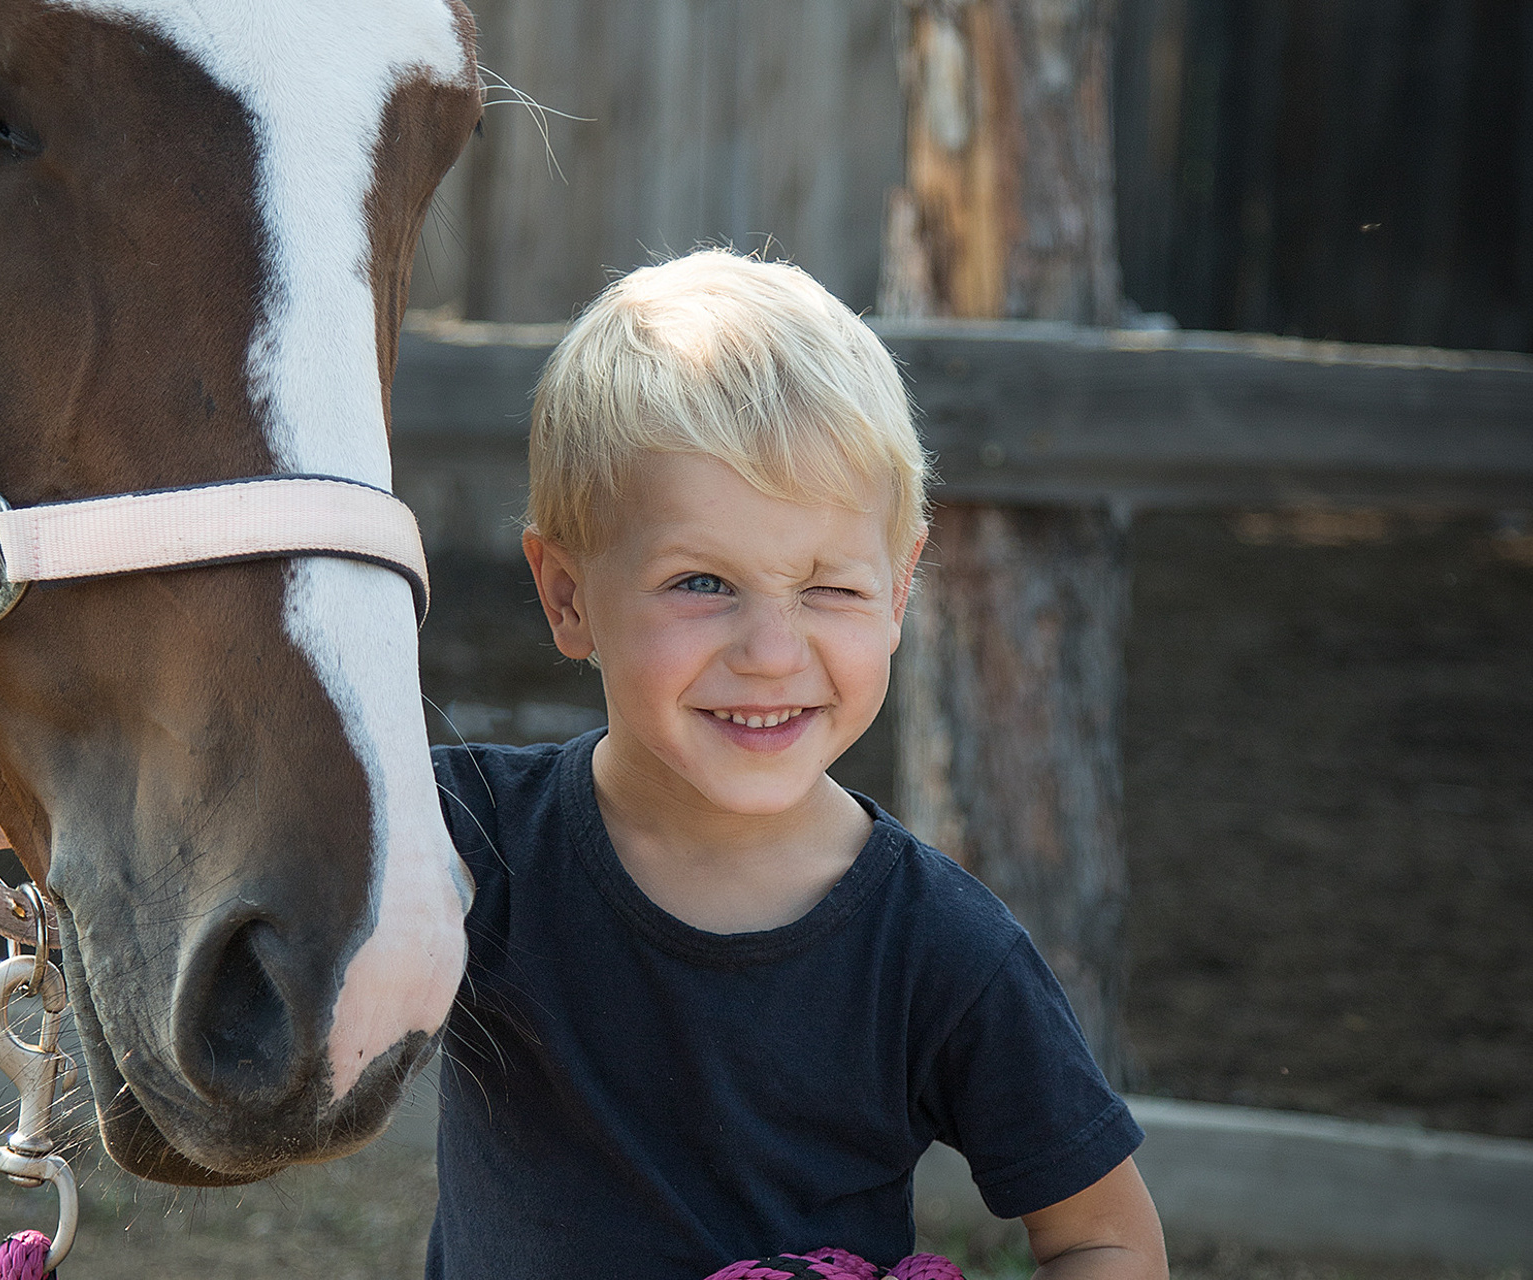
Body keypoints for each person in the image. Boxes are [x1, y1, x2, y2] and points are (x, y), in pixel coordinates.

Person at [426, 249, 1167, 1280]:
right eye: (700, 580)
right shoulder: (465, 841)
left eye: (832, 590)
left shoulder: (940, 948)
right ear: (567, 596)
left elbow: (1105, 1234)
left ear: (903, 587)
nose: (772, 650)